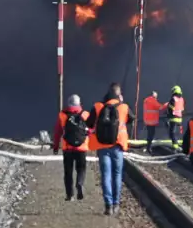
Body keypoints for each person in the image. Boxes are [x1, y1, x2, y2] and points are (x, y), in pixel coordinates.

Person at [86, 83, 134, 215]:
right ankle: (116, 204)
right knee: (117, 175)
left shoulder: (98, 106)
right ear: (119, 94)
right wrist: (122, 103)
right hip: (118, 146)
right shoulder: (124, 107)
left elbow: (89, 123)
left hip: (102, 147)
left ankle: (108, 206)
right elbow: (132, 118)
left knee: (106, 175)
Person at [53, 94, 89, 201]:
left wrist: (55, 147)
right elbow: (91, 130)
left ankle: (70, 195)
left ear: (68, 103)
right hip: (81, 147)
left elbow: (57, 132)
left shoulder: (62, 115)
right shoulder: (86, 114)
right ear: (79, 103)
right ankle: (80, 183)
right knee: (81, 168)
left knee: (68, 171)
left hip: (67, 147)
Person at [167, 85, 185, 151]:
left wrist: (168, 114)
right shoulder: (182, 99)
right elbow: (182, 109)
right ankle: (179, 145)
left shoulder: (173, 99)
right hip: (180, 119)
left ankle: (175, 147)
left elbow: (171, 109)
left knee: (172, 133)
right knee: (177, 133)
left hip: (173, 118)